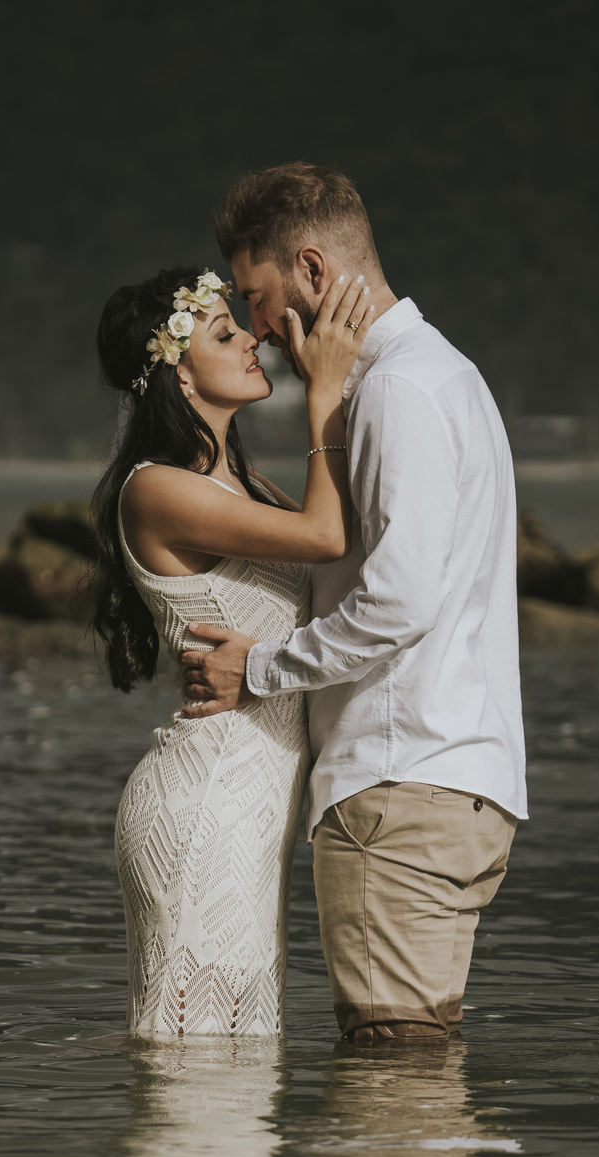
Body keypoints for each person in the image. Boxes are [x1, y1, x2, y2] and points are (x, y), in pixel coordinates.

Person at [181, 164, 528, 1044]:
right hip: (459, 779)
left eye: (257, 296)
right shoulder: (446, 374)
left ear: (312, 268)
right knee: (419, 1062)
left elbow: (398, 601)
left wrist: (256, 668)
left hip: (398, 781)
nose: (256, 324)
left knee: (390, 1068)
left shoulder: (396, 393)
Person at [90, 262, 374, 1038]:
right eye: (224, 333)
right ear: (178, 379)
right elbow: (327, 536)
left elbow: (341, 547)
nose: (253, 339)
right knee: (198, 1059)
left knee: (235, 1065)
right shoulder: (157, 488)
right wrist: (323, 387)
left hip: (251, 805)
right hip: (206, 800)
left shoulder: (247, 484)